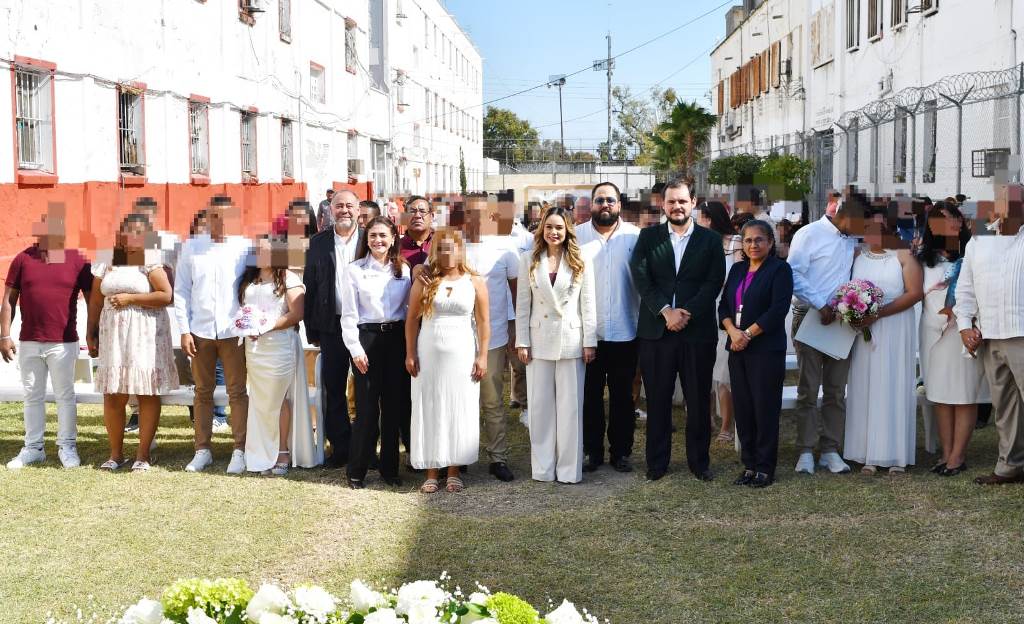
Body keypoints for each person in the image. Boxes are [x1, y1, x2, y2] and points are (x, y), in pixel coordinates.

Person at [630, 176, 725, 482]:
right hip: (657, 332)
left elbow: (714, 282)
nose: (677, 206)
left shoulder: (710, 240)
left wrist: (686, 313)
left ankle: (699, 462)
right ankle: (657, 463)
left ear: (693, 203)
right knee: (658, 399)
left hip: (696, 333)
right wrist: (666, 312)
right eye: (671, 201)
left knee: (697, 400)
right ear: (663, 204)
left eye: (683, 201)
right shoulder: (648, 238)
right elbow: (641, 278)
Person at [2, 206, 92, 469]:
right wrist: (4, 335)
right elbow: (8, 300)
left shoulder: (77, 260)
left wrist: (92, 333)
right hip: (29, 340)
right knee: (32, 396)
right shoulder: (22, 259)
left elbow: (92, 299)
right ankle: (33, 448)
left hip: (63, 343)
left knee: (65, 395)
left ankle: (67, 447)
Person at [86, 213, 177, 472]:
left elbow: (165, 295)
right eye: (129, 231)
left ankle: (143, 455)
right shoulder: (106, 259)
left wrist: (131, 299)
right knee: (113, 393)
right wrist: (90, 331)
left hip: (144, 334)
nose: (133, 236)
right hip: (112, 334)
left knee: (145, 391)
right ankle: (115, 455)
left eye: (139, 232)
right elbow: (95, 299)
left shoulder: (150, 261)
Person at [516, 206, 596, 484]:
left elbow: (588, 304)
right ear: (542, 229)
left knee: (571, 409)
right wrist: (522, 341)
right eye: (549, 227)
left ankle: (569, 470)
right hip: (537, 341)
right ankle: (542, 468)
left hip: (571, 340)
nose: (553, 232)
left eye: (559, 228)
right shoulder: (528, 259)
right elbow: (523, 304)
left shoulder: (580, 259)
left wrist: (590, 341)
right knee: (539, 408)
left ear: (567, 231)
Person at [406, 228, 490, 493]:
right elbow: (411, 320)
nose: (447, 253)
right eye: (441, 248)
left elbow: (484, 321)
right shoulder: (425, 279)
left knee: (459, 406)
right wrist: (410, 352)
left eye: (452, 247)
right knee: (430, 405)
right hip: (429, 352)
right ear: (435, 251)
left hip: (463, 352)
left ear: (460, 249)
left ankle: (454, 470)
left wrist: (483, 355)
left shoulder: (474, 280)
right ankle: (432, 471)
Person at [174, 196, 251, 473]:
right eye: (215, 217)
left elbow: (251, 287)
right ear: (207, 218)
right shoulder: (192, 247)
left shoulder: (244, 247)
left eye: (226, 217)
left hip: (234, 332)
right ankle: (202, 449)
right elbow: (181, 290)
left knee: (237, 392)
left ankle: (240, 450)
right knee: (202, 392)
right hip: (200, 331)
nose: (221, 223)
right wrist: (184, 329)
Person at [843, 207, 923, 474]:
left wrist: (877, 314)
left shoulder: (903, 255)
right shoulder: (856, 256)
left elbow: (914, 293)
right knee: (866, 385)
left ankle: (895, 455)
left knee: (892, 384)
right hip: (865, 333)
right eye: (868, 227)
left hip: (895, 328)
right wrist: (855, 312)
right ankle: (866, 452)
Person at [954, 185, 1024, 485]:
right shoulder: (979, 240)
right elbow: (966, 288)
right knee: (1005, 406)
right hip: (989, 335)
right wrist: (964, 325)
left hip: (1021, 333)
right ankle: (1010, 466)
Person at [787, 194, 860, 475]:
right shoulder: (809, 234)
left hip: (842, 320)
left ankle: (830, 449)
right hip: (810, 316)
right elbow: (793, 274)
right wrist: (821, 304)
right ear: (845, 215)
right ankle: (805, 451)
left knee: (836, 390)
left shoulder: (850, 239)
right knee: (808, 387)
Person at [718, 220, 794, 488]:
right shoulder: (738, 269)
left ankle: (764, 467)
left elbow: (778, 310)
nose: (753, 245)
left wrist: (747, 334)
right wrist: (732, 332)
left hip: (765, 350)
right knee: (744, 407)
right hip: (737, 348)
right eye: (748, 240)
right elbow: (724, 307)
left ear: (770, 243)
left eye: (759, 240)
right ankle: (749, 465)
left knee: (764, 408)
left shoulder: (780, 270)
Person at [237, 236, 319, 475]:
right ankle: (261, 450)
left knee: (277, 398)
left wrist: (267, 326)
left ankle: (282, 450)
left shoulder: (289, 278)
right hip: (255, 349)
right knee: (260, 399)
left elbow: (297, 313)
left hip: (279, 345)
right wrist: (246, 326)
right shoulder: (248, 279)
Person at [341, 216, 412, 489]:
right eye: (372, 236)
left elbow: (408, 311)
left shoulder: (403, 270)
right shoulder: (354, 270)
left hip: (395, 339)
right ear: (366, 239)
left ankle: (389, 469)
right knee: (367, 409)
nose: (378, 241)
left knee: (394, 408)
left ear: (393, 237)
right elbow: (348, 315)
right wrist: (355, 349)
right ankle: (356, 470)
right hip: (367, 340)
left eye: (383, 235)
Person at [918, 201, 986, 476]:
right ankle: (946, 454)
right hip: (933, 333)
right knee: (941, 395)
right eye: (942, 219)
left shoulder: (974, 253)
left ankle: (958, 456)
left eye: (954, 218)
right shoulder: (923, 260)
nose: (950, 224)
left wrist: (972, 323)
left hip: (964, 330)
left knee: (964, 394)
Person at [577, 181, 641, 473]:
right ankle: (593, 451)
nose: (605, 205)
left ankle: (621, 452)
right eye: (600, 200)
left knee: (622, 397)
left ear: (619, 205)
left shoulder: (635, 237)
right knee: (589, 396)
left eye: (611, 200)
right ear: (591, 204)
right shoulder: (576, 237)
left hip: (627, 330)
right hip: (587, 334)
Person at [462, 196, 520, 482]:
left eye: (481, 214)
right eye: (470, 213)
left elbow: (516, 293)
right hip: (457, 339)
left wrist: (514, 330)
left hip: (493, 337)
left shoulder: (505, 248)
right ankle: (459, 457)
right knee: (460, 401)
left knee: (493, 401)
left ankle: (498, 457)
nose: (475, 219)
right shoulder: (451, 245)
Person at [304, 189, 361, 468]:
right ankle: (341, 448)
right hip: (331, 325)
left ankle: (364, 449)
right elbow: (310, 286)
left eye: (350, 206)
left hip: (365, 327)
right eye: (339, 206)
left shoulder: (370, 239)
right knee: (333, 387)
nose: (344, 211)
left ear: (359, 210)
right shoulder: (318, 243)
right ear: (330, 210)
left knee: (366, 388)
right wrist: (311, 329)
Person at [697, 199, 741, 444]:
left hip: (727, 310)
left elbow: (739, 276)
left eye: (701, 217)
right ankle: (708, 418)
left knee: (724, 371)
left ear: (710, 218)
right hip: (705, 308)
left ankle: (727, 423)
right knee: (706, 367)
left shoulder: (735, 242)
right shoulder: (701, 243)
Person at [399, 196, 434, 267]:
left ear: (431, 217)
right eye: (412, 211)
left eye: (422, 211)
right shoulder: (396, 248)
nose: (417, 216)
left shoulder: (441, 244)